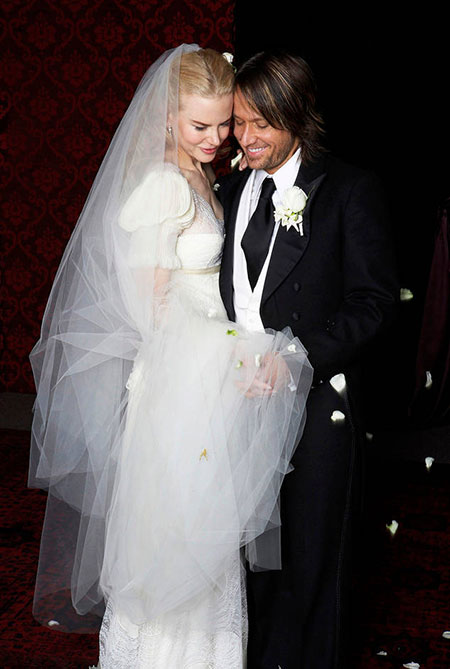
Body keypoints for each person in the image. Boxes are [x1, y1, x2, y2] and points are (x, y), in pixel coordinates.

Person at [28, 45, 313, 668]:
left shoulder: (205, 178)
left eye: (224, 124)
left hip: (207, 380)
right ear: (167, 118)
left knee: (208, 532)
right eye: (200, 125)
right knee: (179, 529)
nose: (216, 139)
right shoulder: (163, 186)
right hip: (179, 383)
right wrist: (229, 352)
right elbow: (148, 309)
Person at [217, 50, 398, 668]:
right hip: (235, 405)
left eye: (262, 123)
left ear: (298, 114)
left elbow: (375, 302)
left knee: (314, 558)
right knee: (249, 560)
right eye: (240, 122)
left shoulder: (349, 189)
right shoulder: (230, 188)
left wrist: (299, 355)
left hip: (318, 407)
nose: (247, 138)